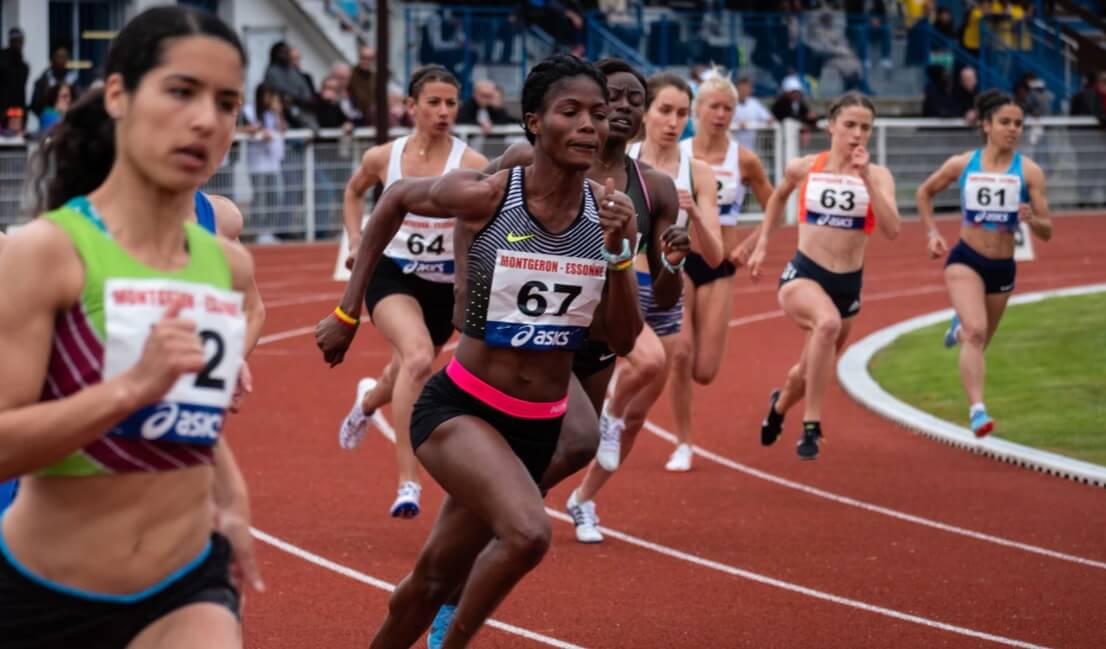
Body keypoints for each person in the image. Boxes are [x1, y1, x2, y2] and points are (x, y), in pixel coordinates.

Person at [316, 53, 643, 649]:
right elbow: (391, 202)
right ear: (533, 122)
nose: (590, 126)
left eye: (598, 113)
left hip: (536, 426)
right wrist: (347, 311)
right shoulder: (490, 194)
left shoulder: (608, 216)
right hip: (461, 409)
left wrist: (621, 255)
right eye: (569, 112)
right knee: (527, 533)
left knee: (431, 579)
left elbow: (621, 340)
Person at [0, 7, 263, 647]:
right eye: (181, 91)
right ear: (118, 94)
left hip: (184, 588)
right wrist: (129, 388)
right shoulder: (43, 255)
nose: (206, 119)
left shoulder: (223, 263)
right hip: (44, 597)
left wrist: (233, 501)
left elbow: (180, 413)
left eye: (227, 102)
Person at [423, 57, 688, 644]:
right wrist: (465, 283)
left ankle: (480, 527)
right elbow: (479, 212)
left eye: (629, 99)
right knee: (574, 442)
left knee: (567, 451)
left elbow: (664, 297)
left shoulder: (654, 190)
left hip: (595, 347)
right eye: (607, 98)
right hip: (539, 350)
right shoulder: (531, 161)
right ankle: (475, 544)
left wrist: (671, 258)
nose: (619, 108)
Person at [565, 71, 722, 540]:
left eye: (682, 114)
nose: (673, 122)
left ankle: (583, 500)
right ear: (644, 113)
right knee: (640, 370)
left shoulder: (698, 172)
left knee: (636, 419)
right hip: (623, 287)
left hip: (668, 295)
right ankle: (604, 416)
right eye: (664, 111)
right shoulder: (619, 159)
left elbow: (715, 257)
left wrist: (692, 213)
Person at [336, 65, 487, 519]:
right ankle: (408, 481)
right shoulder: (385, 157)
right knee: (419, 357)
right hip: (394, 275)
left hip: (444, 287)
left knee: (403, 369)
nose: (444, 112)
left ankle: (367, 402)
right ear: (411, 107)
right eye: (434, 103)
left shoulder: (473, 165)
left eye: (451, 103)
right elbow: (353, 192)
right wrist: (357, 238)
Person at [749, 92, 900, 459]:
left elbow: (893, 229)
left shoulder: (878, 176)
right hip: (804, 274)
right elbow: (778, 197)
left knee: (806, 372)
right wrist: (762, 243)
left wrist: (865, 178)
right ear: (832, 126)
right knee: (827, 325)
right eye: (849, 125)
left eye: (865, 128)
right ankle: (811, 427)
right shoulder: (805, 167)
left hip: (848, 285)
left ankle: (779, 408)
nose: (857, 135)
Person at [915, 89, 1052, 437]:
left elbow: (1047, 230)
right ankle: (978, 411)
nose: (1013, 129)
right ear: (987, 125)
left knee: (978, 339)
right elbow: (924, 192)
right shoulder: (963, 164)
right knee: (976, 334)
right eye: (1005, 122)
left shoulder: (1030, 172)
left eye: (1018, 124)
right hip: (966, 259)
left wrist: (1032, 220)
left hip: (1003, 268)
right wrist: (932, 233)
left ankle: (957, 329)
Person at [666, 69, 774, 470]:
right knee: (680, 354)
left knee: (705, 370)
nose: (721, 114)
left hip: (722, 263)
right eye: (713, 106)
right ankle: (683, 442)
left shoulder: (743, 159)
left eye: (728, 107)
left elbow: (776, 206)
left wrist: (752, 243)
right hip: (680, 260)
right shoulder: (680, 152)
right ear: (697, 109)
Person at [731, 76, 773, 150]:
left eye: (747, 88)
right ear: (736, 89)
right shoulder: (730, 103)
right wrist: (738, 125)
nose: (744, 90)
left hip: (751, 147)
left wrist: (770, 120)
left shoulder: (754, 103)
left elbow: (768, 118)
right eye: (742, 88)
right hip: (732, 146)